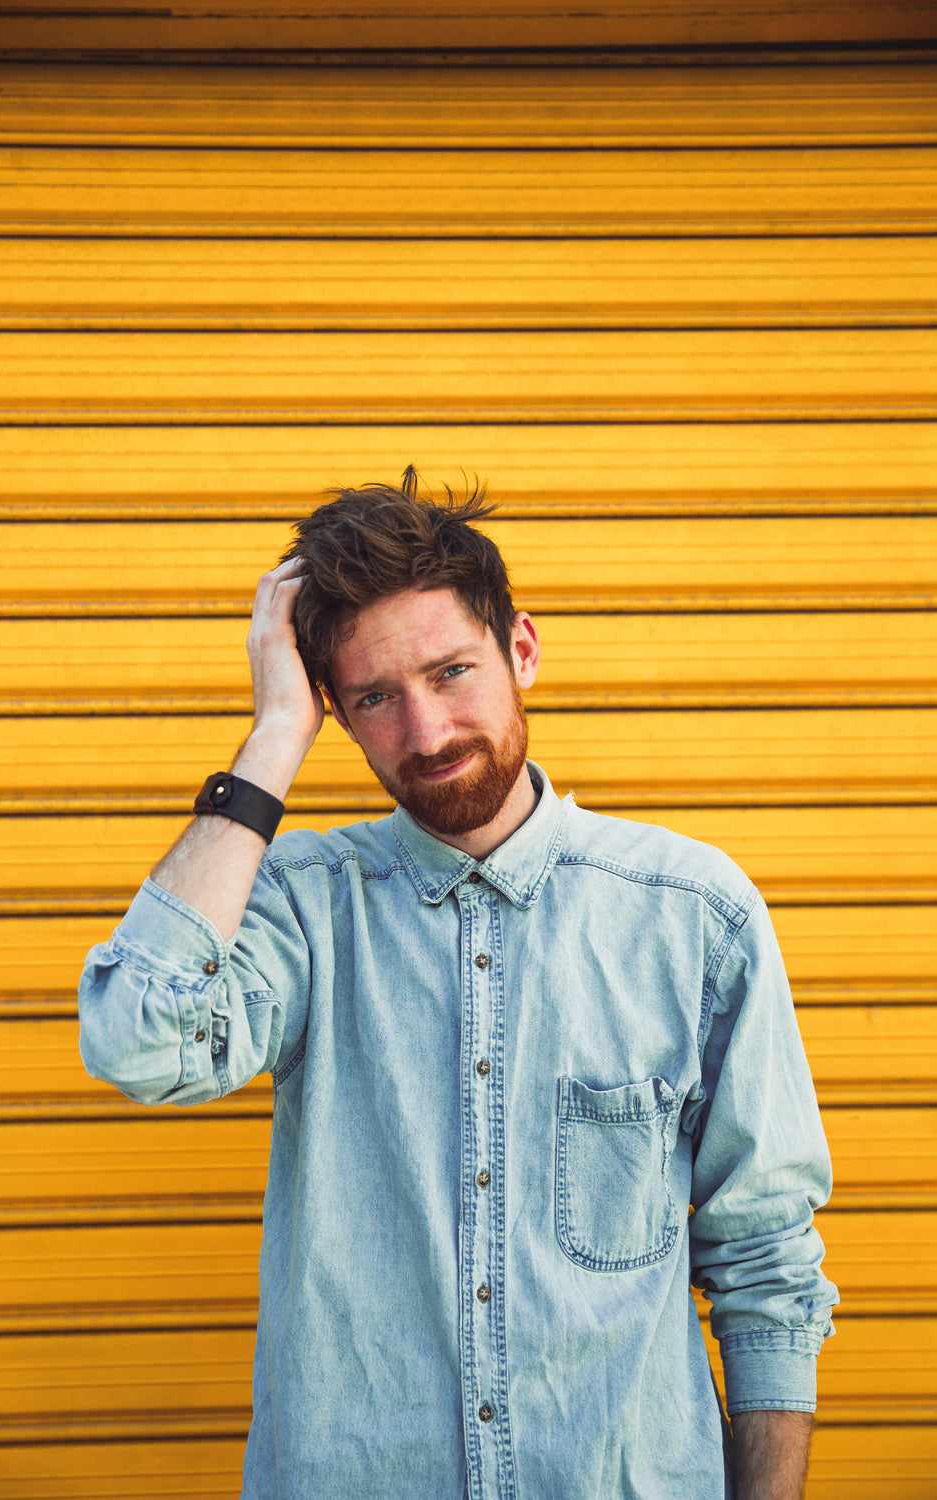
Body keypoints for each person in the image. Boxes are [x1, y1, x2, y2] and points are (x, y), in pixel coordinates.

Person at [78, 468, 838, 1500]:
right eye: (375, 699)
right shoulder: (306, 906)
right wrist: (270, 740)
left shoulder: (690, 913)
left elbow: (766, 1269)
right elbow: (137, 1040)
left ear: (521, 649)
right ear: (335, 713)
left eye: (451, 673)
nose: (426, 734)